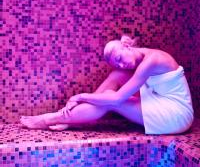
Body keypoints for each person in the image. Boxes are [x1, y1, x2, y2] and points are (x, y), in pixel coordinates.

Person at [20, 35, 194, 134]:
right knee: (117, 76)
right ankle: (72, 118)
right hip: (158, 98)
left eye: (120, 58)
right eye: (116, 62)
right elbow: (119, 80)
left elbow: (118, 97)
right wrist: (84, 100)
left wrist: (79, 96)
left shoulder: (152, 60)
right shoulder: (141, 59)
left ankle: (52, 118)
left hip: (175, 115)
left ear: (127, 46)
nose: (122, 64)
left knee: (112, 100)